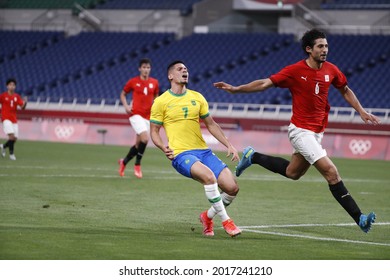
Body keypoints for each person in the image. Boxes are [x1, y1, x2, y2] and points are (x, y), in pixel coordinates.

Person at [214, 29, 380, 233]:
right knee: (331, 172)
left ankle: (253, 156)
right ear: (309, 49)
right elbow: (266, 83)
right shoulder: (294, 71)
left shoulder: (331, 70)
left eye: (326, 46)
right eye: (320, 46)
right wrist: (236, 89)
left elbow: (344, 89)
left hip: (317, 133)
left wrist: (361, 111)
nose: (325, 49)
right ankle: (360, 218)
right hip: (301, 131)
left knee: (293, 173)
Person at [150, 60, 241, 237]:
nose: (185, 71)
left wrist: (228, 144)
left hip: (203, 151)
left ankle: (207, 217)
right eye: (179, 69)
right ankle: (226, 221)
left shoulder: (197, 97)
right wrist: (162, 147)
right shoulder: (161, 102)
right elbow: (154, 131)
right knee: (209, 178)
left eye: (186, 69)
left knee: (232, 188)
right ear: (170, 76)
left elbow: (211, 124)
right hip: (181, 154)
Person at [118, 58, 159, 179]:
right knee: (145, 138)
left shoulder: (155, 82)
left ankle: (123, 162)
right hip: (135, 114)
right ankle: (137, 165)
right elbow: (123, 94)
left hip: (148, 116)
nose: (146, 70)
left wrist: (156, 106)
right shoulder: (133, 81)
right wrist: (126, 106)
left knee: (138, 145)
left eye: (148, 67)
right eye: (144, 67)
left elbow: (156, 96)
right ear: (139, 69)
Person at [0, 78, 27, 161]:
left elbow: (22, 108)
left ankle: (3, 146)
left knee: (14, 138)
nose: (12, 86)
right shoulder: (3, 96)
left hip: (14, 119)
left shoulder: (17, 97)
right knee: (11, 136)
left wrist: (25, 102)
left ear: (15, 87)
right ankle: (11, 155)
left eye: (13, 85)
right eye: (10, 85)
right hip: (5, 118)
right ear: (7, 86)